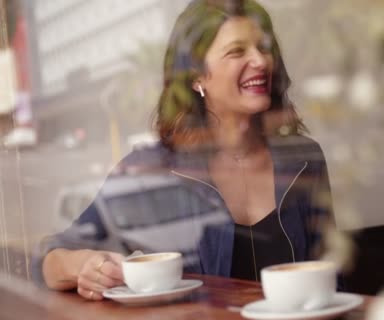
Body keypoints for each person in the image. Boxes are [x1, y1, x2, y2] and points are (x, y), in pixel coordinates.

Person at [33, 0, 335, 300]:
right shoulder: (149, 168)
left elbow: (333, 275)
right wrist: (84, 265)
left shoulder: (302, 159)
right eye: (237, 51)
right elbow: (46, 261)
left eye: (263, 47)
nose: (260, 61)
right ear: (196, 77)